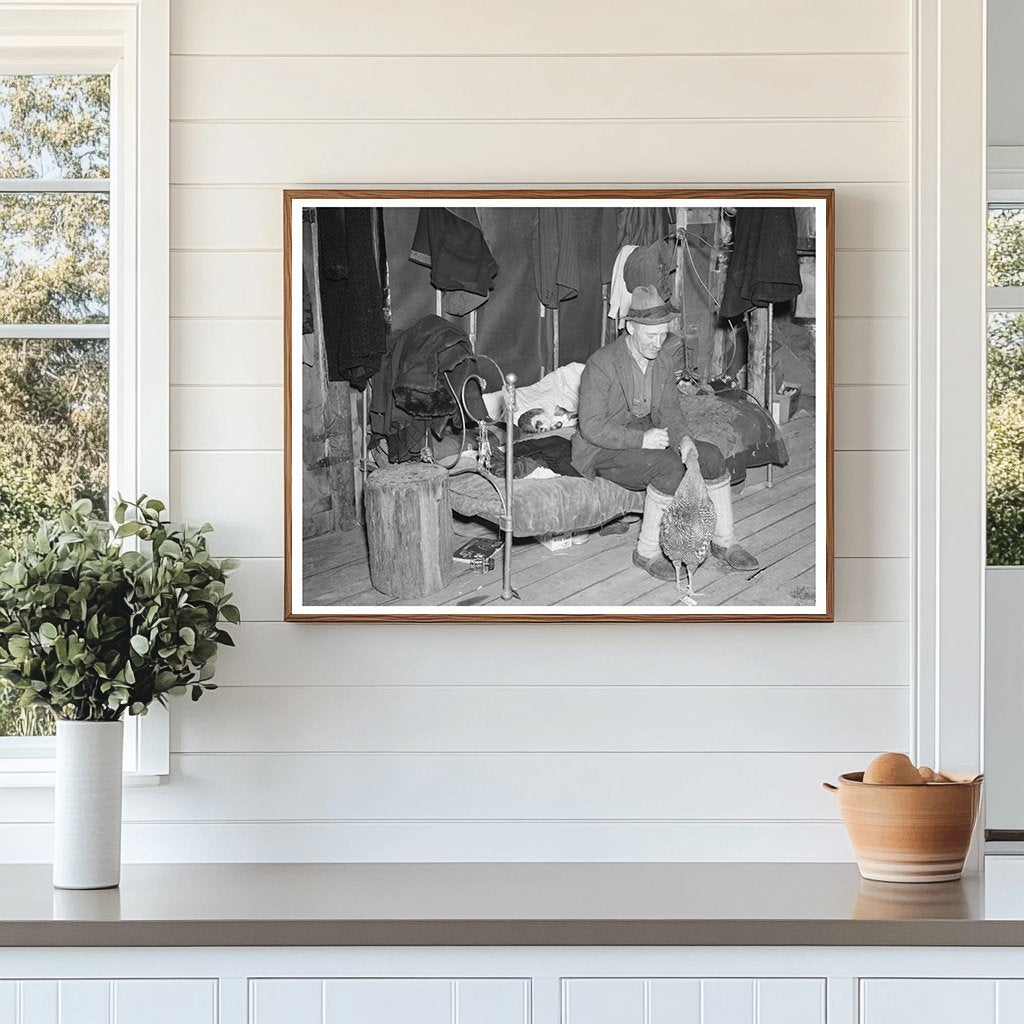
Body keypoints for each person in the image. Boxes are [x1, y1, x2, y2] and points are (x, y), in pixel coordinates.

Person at [571, 286, 759, 581]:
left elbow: (670, 413)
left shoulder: (663, 360)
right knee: (669, 468)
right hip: (601, 447)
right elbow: (590, 427)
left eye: (663, 335)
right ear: (630, 327)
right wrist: (642, 440)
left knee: (709, 456)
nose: (658, 343)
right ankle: (646, 552)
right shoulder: (602, 364)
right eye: (651, 336)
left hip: (643, 435)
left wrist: (683, 439)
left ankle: (725, 541)